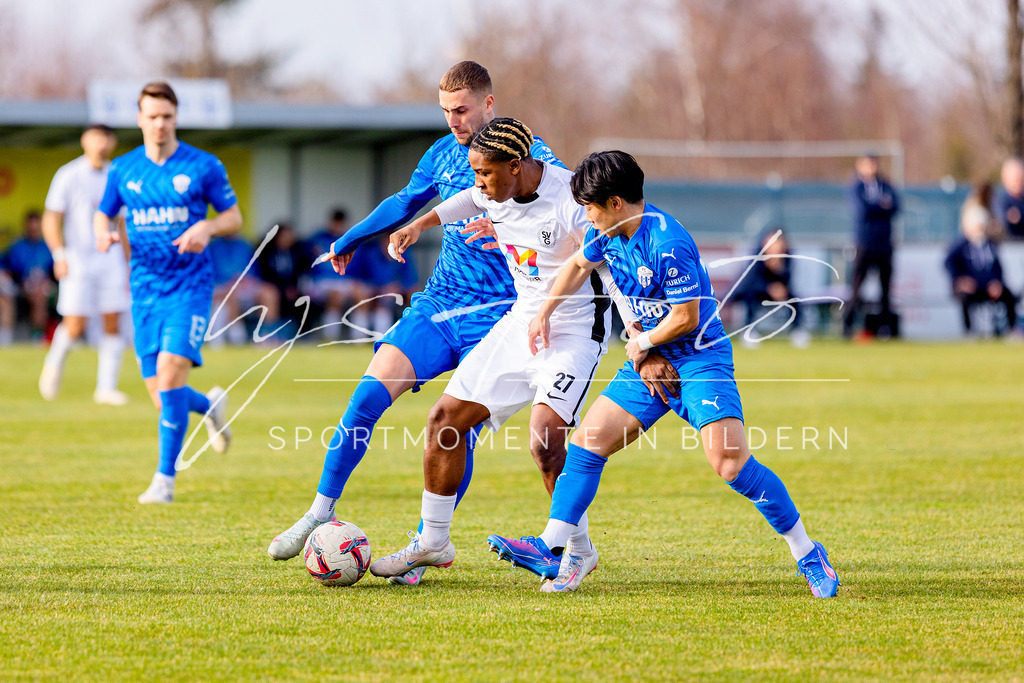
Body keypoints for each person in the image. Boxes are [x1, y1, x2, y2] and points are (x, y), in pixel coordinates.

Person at [266, 61, 569, 585]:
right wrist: (351, 239)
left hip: (500, 314)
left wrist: (506, 228)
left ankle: (431, 542)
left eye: (462, 109)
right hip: (440, 302)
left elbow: (561, 217)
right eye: (446, 110)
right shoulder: (443, 152)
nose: (453, 120)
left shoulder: (530, 158)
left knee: (455, 428)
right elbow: (406, 200)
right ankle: (320, 510)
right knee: (367, 395)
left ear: (489, 103)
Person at [487, 151, 839, 597]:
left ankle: (808, 553)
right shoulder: (607, 233)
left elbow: (686, 316)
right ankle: (553, 547)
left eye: (590, 208)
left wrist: (643, 343)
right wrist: (544, 313)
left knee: (730, 464)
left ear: (615, 203)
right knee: (586, 444)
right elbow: (577, 265)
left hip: (698, 359)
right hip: (648, 357)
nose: (586, 218)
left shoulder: (667, 242)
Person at [367, 118, 634, 580]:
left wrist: (635, 334)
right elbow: (467, 201)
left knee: (545, 439)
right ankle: (433, 541)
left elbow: (608, 268)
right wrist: (420, 224)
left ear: (515, 165)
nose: (478, 184)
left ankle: (576, 550)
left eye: (485, 173)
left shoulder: (570, 199)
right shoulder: (493, 189)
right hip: (520, 323)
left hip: (574, 331)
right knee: (444, 420)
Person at [94, 81, 239, 504]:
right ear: (140, 119)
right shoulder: (123, 170)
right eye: (152, 116)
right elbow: (103, 214)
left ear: (176, 118)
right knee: (164, 398)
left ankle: (164, 481)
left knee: (172, 371)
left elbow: (233, 216)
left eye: (167, 117)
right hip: (144, 291)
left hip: (189, 287)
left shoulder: (203, 165)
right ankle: (209, 406)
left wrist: (207, 226)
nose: (160, 124)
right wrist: (103, 233)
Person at [38, 124, 131, 404]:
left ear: (112, 142)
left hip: (111, 259)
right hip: (78, 259)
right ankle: (54, 364)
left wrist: (129, 263)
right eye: (96, 138)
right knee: (75, 325)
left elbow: (123, 223)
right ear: (84, 141)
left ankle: (106, 387)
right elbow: (52, 218)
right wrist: (59, 255)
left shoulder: (117, 174)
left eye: (106, 138)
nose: (101, 144)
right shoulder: (69, 174)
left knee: (113, 319)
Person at [843, 154, 899, 338]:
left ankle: (886, 329)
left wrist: (877, 207)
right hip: (865, 244)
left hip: (884, 244)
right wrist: (881, 207)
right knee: (857, 287)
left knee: (886, 290)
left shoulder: (885, 185)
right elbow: (862, 210)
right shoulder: (857, 187)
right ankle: (847, 326)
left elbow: (895, 206)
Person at [944, 204, 1017, 336]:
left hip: (988, 287)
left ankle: (1011, 330)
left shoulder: (990, 245)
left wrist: (997, 283)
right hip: (971, 288)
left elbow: (998, 268)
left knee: (1009, 296)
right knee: (965, 298)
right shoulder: (960, 245)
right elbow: (949, 263)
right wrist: (960, 280)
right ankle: (969, 331)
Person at [732, 227, 810, 348]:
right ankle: (749, 331)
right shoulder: (757, 256)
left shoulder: (787, 258)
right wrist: (769, 288)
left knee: (795, 299)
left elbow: (788, 279)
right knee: (750, 297)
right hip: (756, 291)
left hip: (779, 293)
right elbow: (750, 281)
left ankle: (798, 331)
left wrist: (778, 268)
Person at [301, 208, 364, 340]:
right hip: (322, 280)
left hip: (344, 279)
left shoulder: (350, 240)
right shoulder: (318, 238)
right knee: (336, 295)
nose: (337, 226)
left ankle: (360, 338)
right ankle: (330, 337)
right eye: (336, 223)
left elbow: (358, 268)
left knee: (361, 295)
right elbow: (302, 256)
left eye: (340, 223)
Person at [208, 232, 279, 345]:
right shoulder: (213, 247)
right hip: (222, 286)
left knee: (269, 293)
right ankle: (238, 336)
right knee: (231, 292)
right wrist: (230, 281)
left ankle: (266, 334)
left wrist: (247, 279)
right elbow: (210, 274)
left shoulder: (245, 246)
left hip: (245, 285)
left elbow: (254, 270)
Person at [5, 211, 55, 340]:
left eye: (36, 228)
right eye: (31, 228)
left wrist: (45, 281)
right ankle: (37, 337)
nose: (33, 230)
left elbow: (55, 271)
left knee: (40, 293)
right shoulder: (17, 247)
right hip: (21, 288)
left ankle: (40, 336)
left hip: (45, 288)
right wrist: (25, 282)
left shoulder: (47, 246)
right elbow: (9, 272)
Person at [256, 221, 307, 330]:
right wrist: (283, 289)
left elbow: (300, 272)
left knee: (305, 300)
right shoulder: (266, 252)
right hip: (274, 287)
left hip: (292, 288)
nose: (288, 239)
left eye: (290, 236)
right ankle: (270, 331)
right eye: (285, 236)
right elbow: (266, 274)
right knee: (271, 294)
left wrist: (293, 288)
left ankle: (300, 332)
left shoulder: (296, 252)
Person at [996, 158, 1024, 239]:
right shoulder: (999, 199)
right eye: (1016, 179)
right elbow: (1001, 220)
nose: (1019, 183)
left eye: (1021, 179)